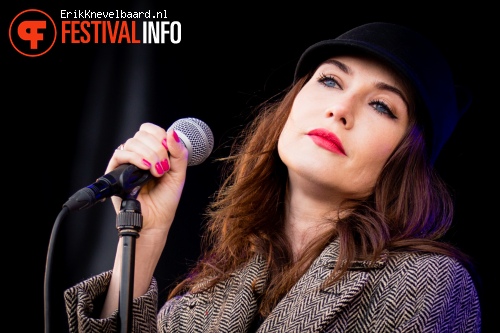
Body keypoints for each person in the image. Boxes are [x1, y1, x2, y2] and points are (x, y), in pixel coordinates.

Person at [64, 22, 482, 332]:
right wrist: (143, 238)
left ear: (407, 158)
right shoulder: (206, 293)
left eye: (382, 106)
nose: (339, 109)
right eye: (331, 80)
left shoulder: (426, 282)